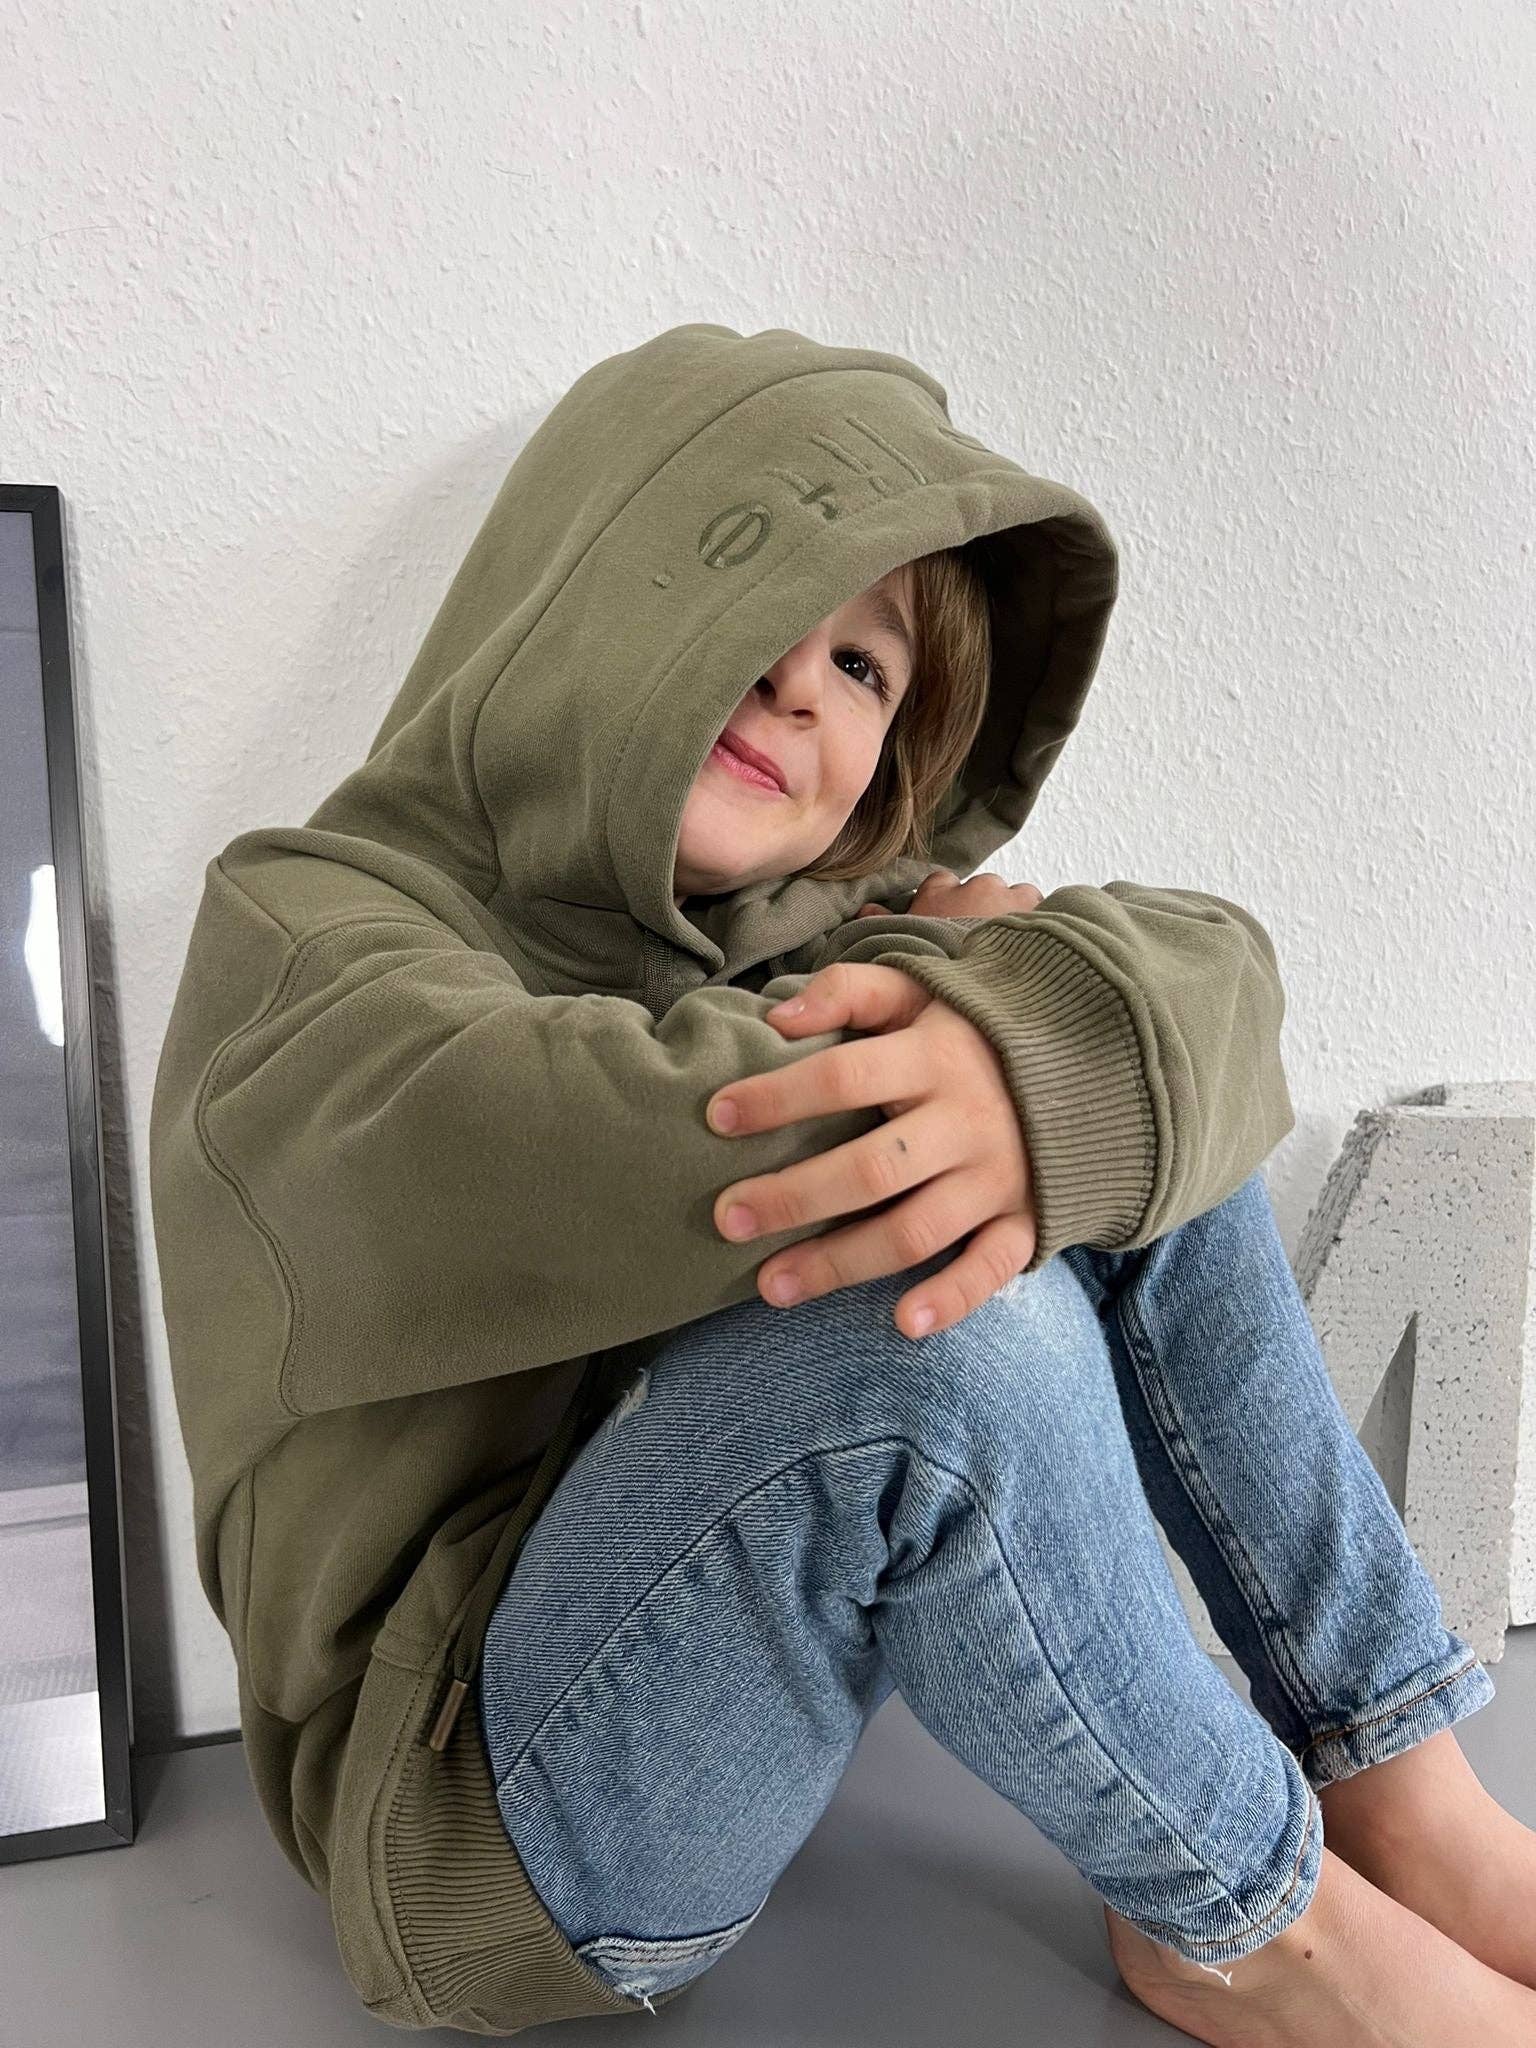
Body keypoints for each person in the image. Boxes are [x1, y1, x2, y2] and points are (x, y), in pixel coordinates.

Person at [146, 322, 1536, 2043]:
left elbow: (1209, 984)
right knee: (944, 1285)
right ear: (582, 601)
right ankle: (1257, 1930)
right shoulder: (310, 939)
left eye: (866, 667)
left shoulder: (802, 943)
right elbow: (614, 1133)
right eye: (749, 608)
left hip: (716, 1689)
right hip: (474, 1826)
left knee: (1113, 1116)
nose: (804, 688)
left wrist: (1049, 1039)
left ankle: (1401, 1796)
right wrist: (999, 1014)